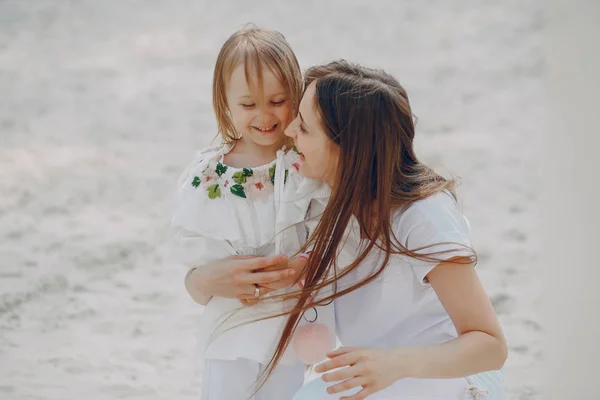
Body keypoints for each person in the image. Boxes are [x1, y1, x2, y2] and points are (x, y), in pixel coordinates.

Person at [271, 60, 506, 399]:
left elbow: (490, 347)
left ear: (347, 147)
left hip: (451, 377)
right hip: (380, 375)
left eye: (304, 128)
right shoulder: (333, 200)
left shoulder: (423, 216)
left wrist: (395, 364)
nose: (290, 130)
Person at [169, 25, 333, 400]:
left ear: (296, 93)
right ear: (224, 102)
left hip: (295, 325)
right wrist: (211, 276)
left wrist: (306, 262)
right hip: (232, 325)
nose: (264, 116)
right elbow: (192, 254)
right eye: (248, 105)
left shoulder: (305, 164)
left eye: (277, 101)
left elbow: (331, 230)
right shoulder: (209, 175)